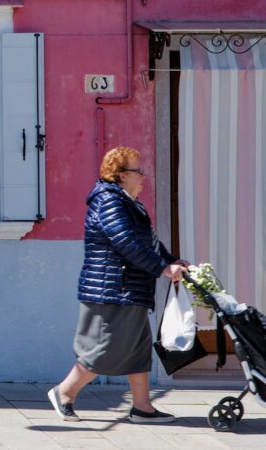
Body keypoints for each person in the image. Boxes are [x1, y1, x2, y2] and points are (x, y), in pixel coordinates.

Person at [48, 147, 186, 423]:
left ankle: (143, 407)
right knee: (103, 349)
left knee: (137, 348)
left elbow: (148, 243)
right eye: (138, 171)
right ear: (122, 175)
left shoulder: (130, 202)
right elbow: (125, 243)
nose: (143, 176)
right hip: (111, 289)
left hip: (129, 288)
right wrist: (162, 268)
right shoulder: (109, 201)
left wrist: (172, 260)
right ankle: (64, 391)